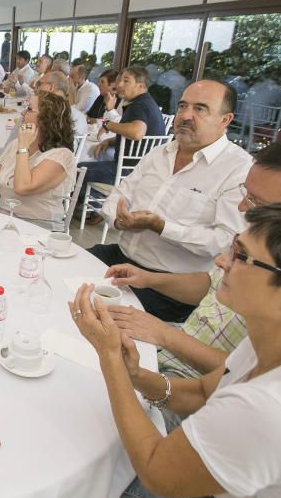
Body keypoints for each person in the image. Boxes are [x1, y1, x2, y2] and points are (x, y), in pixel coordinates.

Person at [70, 201, 281, 498]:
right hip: (228, 488)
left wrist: (108, 357)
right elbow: (200, 392)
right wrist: (136, 375)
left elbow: (157, 473)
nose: (221, 261)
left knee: (73, 487)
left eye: (241, 256)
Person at [103, 135, 281, 380]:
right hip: (170, 359)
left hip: (193, 385)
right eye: (245, 194)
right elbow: (210, 283)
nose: (242, 208)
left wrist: (164, 335)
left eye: (256, 201)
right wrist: (149, 279)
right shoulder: (259, 239)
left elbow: (252, 376)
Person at [88, 80, 252, 322]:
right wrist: (119, 220)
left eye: (200, 109)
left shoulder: (237, 169)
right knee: (54, 270)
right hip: (120, 257)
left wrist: (161, 227)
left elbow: (224, 241)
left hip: (169, 286)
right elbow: (118, 196)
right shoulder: (160, 153)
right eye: (183, 106)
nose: (185, 116)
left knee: (89, 316)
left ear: (225, 120)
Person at [0, 91, 77, 222]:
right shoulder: (16, 144)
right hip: (3, 219)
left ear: (46, 118)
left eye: (29, 109)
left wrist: (23, 148)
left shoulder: (61, 156)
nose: (22, 113)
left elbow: (22, 187)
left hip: (37, 227)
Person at [80, 65, 166, 197]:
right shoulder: (145, 102)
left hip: (130, 171)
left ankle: (101, 207)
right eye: (120, 80)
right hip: (142, 170)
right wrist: (111, 141)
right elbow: (140, 137)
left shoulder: (139, 105)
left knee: (78, 169)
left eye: (126, 81)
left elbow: (137, 132)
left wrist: (109, 124)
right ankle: (104, 207)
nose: (119, 84)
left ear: (141, 86)